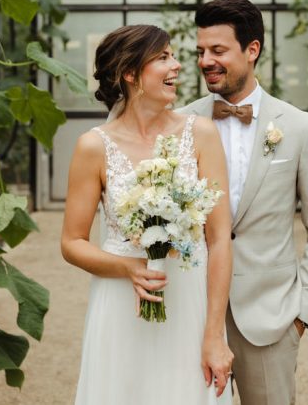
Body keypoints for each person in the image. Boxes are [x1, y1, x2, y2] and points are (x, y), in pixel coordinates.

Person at [179, 0, 308, 405]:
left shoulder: (301, 128)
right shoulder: (180, 123)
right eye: (200, 51)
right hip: (191, 312)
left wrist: (302, 315)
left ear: (252, 50)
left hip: (270, 320)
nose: (205, 61)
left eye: (217, 50)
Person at [61, 24, 234, 405]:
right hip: (121, 303)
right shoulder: (93, 147)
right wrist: (129, 268)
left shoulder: (202, 134)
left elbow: (219, 238)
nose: (177, 67)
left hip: (189, 303)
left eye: (173, 56)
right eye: (163, 58)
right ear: (130, 73)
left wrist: (214, 334)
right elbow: (71, 243)